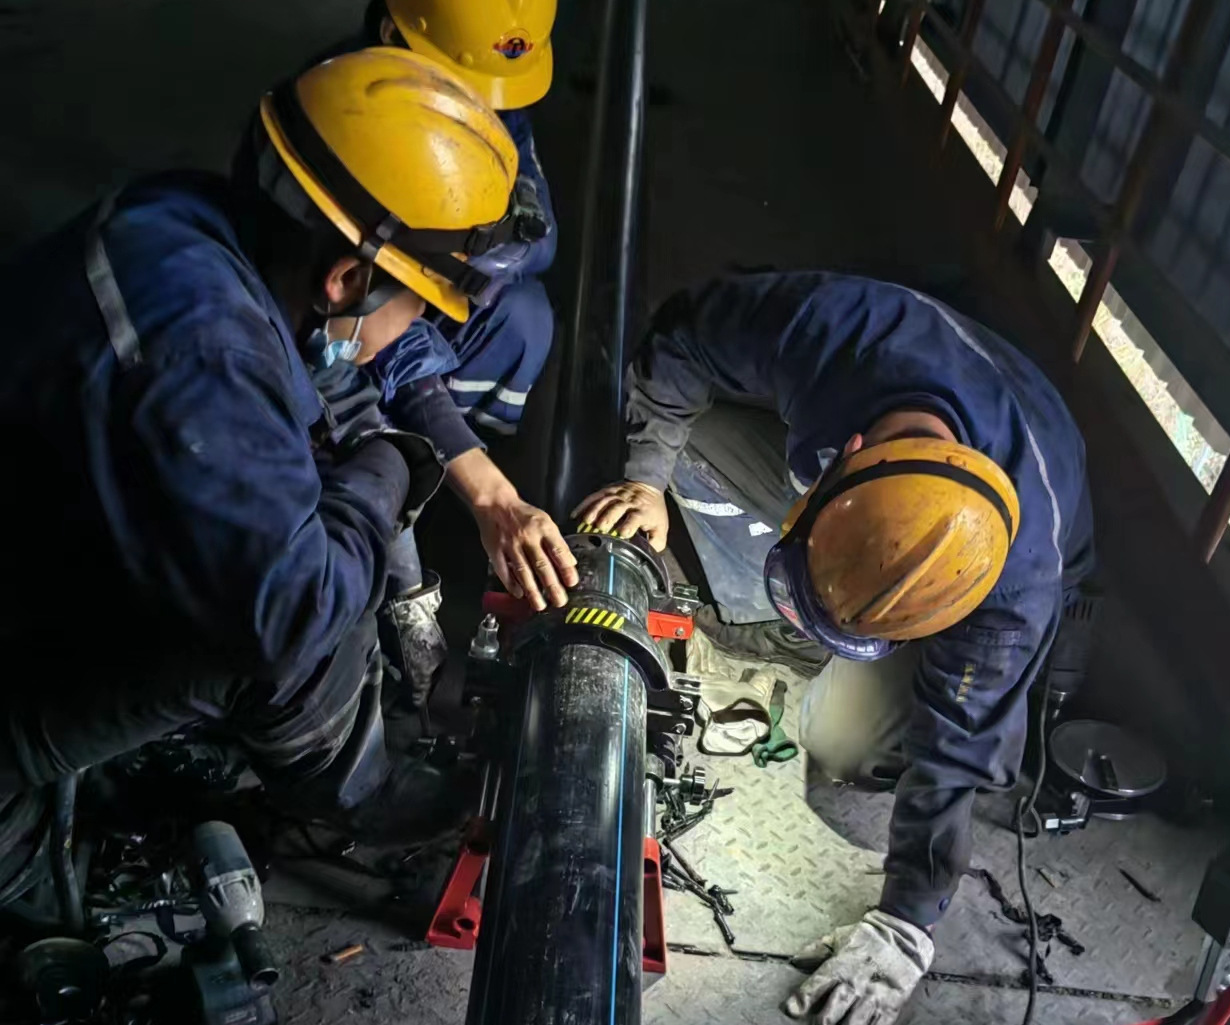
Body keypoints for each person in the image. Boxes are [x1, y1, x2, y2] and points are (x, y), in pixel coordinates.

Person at [0, 49, 576, 851]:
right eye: (420, 305)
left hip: (47, 526)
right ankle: (355, 789)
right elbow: (291, 615)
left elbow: (332, 382)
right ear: (348, 279)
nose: (417, 326)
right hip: (20, 657)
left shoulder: (209, 228)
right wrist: (389, 469)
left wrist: (400, 463)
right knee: (303, 622)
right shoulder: (206, 358)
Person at [574, 271, 1094, 1025]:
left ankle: (872, 652)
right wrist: (646, 478)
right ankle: (812, 601)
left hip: (1010, 564)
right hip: (902, 403)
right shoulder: (829, 331)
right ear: (846, 455)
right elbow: (681, 334)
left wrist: (906, 923)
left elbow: (957, 752)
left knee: (844, 744)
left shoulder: (1013, 586)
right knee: (688, 443)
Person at [312, 0, 567, 615]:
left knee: (522, 319)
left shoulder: (483, 90)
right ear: (391, 33)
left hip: (360, 316)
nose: (479, 111)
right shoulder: (356, 139)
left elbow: (539, 241)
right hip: (339, 339)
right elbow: (369, 355)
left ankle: (448, 483)